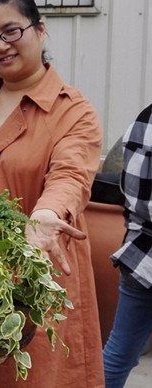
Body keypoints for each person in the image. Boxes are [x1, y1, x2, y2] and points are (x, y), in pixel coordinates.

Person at [0, 0, 104, 387]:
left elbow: (70, 175)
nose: (1, 46)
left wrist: (45, 215)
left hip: (39, 274)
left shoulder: (73, 111)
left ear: (39, 30)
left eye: (11, 31)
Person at [103, 103, 152, 388]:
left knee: (119, 354)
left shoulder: (145, 120)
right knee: (118, 354)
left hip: (139, 253)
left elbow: (133, 196)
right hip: (143, 253)